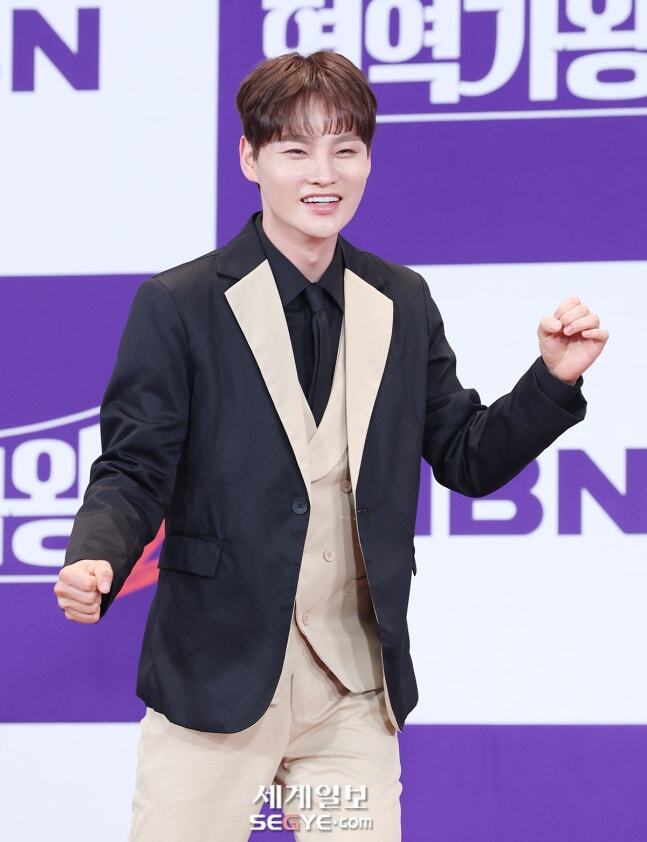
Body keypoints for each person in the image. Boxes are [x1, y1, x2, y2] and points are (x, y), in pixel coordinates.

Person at [53, 50, 608, 841]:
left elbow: (466, 454)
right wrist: (97, 554)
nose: (324, 173)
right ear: (250, 158)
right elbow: (135, 466)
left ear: (368, 160)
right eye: (296, 149)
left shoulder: (400, 299)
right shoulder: (179, 304)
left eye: (345, 148)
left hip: (351, 688)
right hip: (216, 676)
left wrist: (551, 379)